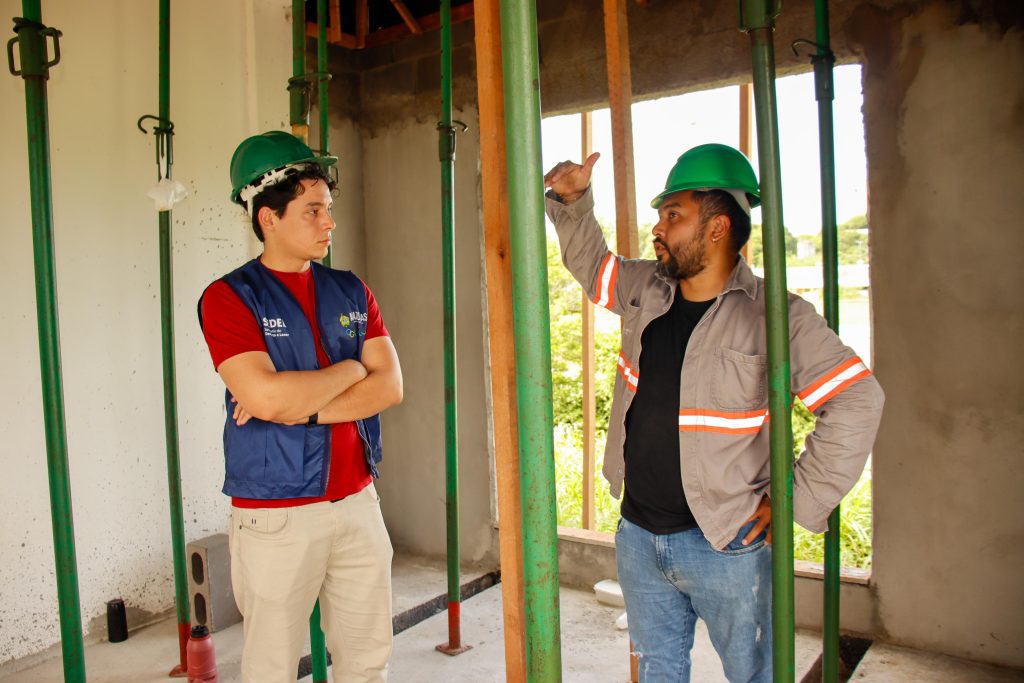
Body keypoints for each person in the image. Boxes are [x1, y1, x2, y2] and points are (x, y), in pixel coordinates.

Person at [544, 144, 884, 682]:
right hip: (638, 534)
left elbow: (858, 399)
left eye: (673, 215)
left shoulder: (776, 316)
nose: (659, 228)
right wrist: (575, 200)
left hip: (727, 544)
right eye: (660, 215)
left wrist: (796, 497)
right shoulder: (643, 289)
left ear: (718, 227)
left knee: (755, 675)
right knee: (658, 670)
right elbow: (593, 266)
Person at [198, 130, 402, 682]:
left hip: (359, 501)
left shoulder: (351, 290)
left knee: (367, 661)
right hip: (275, 515)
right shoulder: (229, 298)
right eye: (312, 210)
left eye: (328, 209)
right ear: (267, 217)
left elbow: (390, 388)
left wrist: (298, 403)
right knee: (271, 667)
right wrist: (350, 369)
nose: (327, 222)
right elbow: (263, 396)